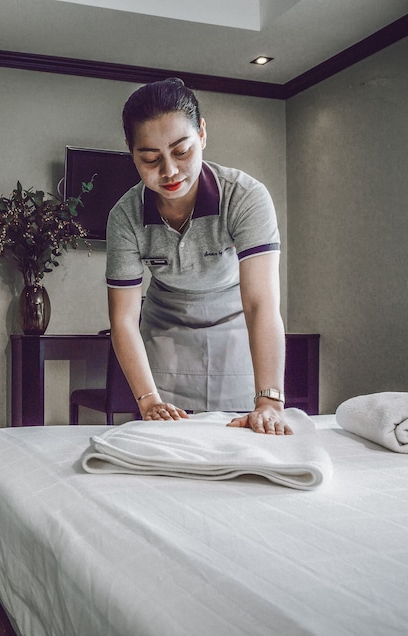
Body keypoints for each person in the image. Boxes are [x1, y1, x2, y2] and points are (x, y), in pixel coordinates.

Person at [106, 78, 292, 435]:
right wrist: (149, 400)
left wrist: (270, 401)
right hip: (165, 328)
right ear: (131, 150)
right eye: (150, 159)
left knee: (240, 437)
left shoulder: (244, 197)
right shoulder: (125, 216)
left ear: (202, 134)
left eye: (181, 151)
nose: (169, 171)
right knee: (166, 438)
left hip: (235, 321)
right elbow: (124, 319)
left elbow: (260, 304)